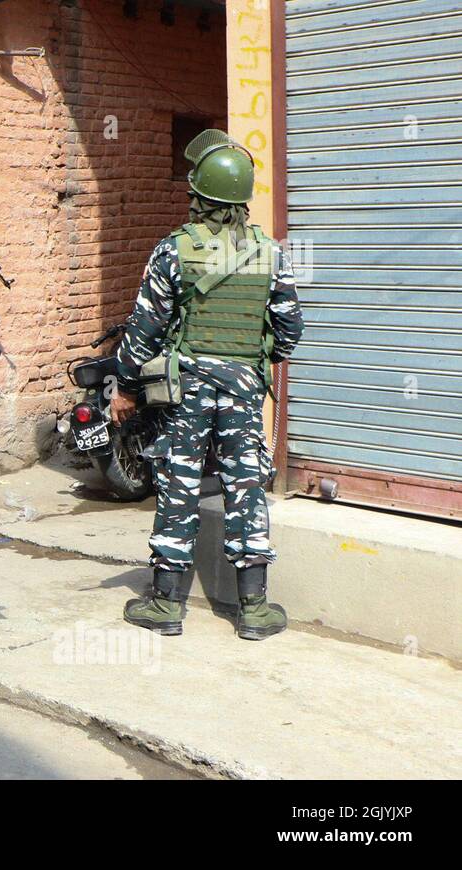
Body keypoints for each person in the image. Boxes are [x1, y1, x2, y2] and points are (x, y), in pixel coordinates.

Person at [111, 129, 304, 641]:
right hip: (243, 389)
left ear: (198, 196)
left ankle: (166, 605)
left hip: (186, 388)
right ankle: (254, 610)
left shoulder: (172, 251)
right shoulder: (271, 254)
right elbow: (289, 331)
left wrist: (126, 388)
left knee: (179, 483)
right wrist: (252, 359)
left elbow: (144, 329)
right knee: (246, 486)